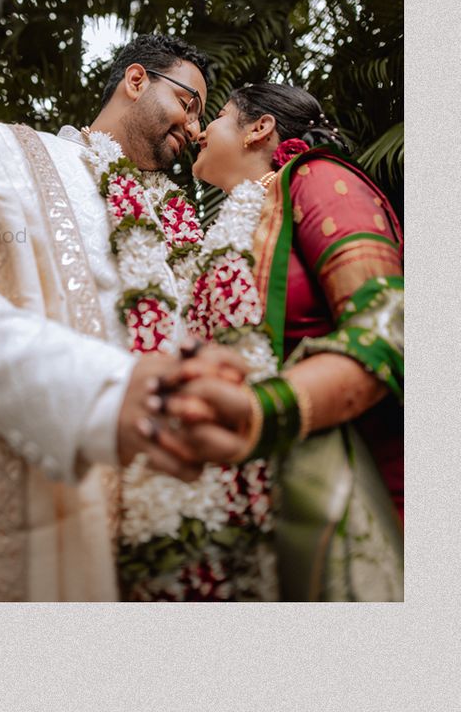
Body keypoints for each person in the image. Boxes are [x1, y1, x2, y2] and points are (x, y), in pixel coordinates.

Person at [0, 33, 247, 601]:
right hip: (55, 503)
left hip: (185, 520)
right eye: (189, 106)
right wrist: (102, 395)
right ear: (136, 80)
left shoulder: (186, 229)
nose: (195, 131)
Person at [144, 82, 404, 601]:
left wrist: (261, 410)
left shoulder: (319, 179)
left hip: (341, 504)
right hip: (242, 508)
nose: (199, 130)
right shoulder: (233, 228)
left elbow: (392, 327)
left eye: (215, 116)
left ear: (259, 128)